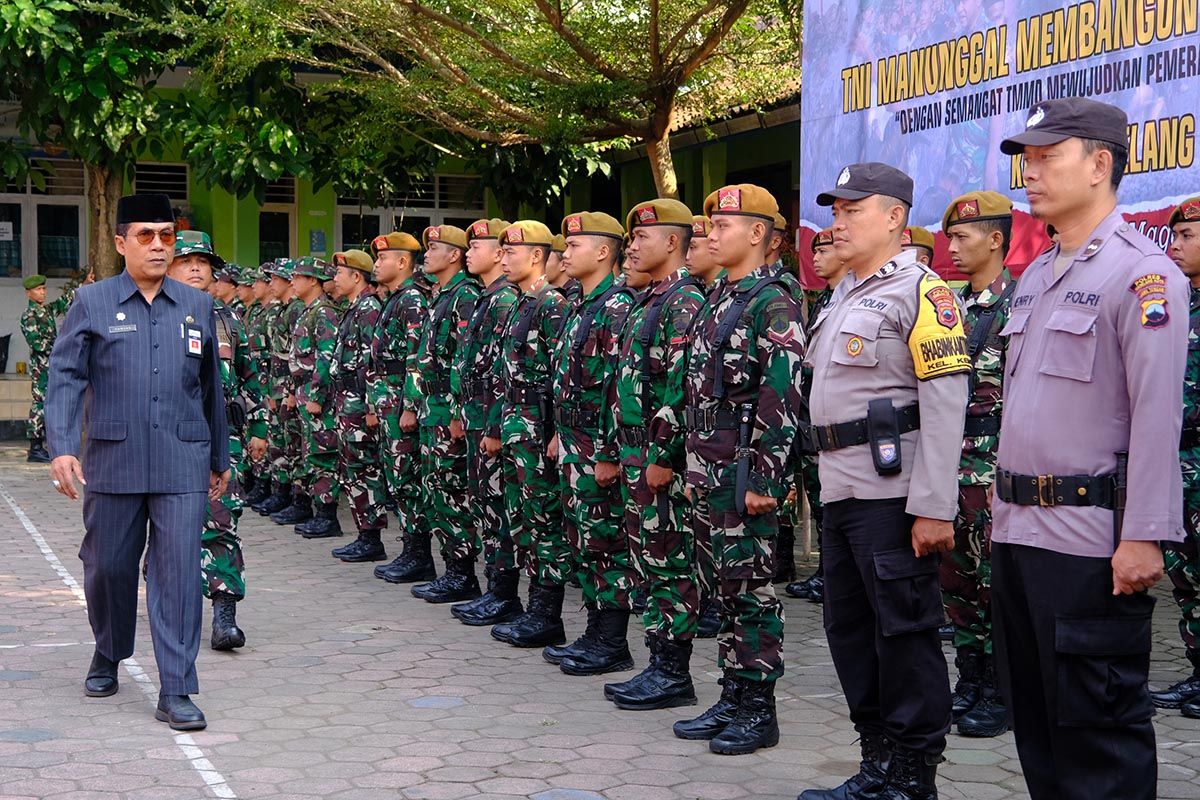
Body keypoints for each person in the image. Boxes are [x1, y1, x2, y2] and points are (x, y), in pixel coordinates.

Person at [991, 97, 1186, 800]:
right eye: (1027, 159)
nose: (1031, 173)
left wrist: (1145, 535)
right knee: (1040, 730)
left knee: (1098, 735)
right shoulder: (1039, 274)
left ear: (1100, 164)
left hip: (1089, 544)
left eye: (1048, 157)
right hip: (1018, 534)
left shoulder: (1142, 275)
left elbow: (1157, 416)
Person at [798, 163, 970, 799]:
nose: (837, 222)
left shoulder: (923, 293)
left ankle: (913, 774)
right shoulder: (843, 292)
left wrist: (933, 506)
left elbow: (947, 404)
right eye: (834, 211)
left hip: (891, 498)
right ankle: (876, 762)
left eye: (851, 210)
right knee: (849, 632)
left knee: (904, 633)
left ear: (895, 218)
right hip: (840, 491)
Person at [46, 193, 230, 731]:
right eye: (145, 236)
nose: (158, 245)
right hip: (114, 457)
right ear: (121, 242)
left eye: (166, 236)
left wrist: (219, 455)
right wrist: (61, 446)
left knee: (177, 574)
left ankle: (176, 687)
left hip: (181, 458)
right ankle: (109, 650)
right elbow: (65, 376)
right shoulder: (92, 302)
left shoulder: (197, 305)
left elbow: (210, 387)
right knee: (108, 567)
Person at [673, 184, 804, 756]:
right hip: (708, 465)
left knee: (751, 589)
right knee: (722, 586)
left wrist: (766, 480)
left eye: (723, 226)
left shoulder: (772, 301)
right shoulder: (719, 298)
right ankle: (731, 692)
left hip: (744, 469)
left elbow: (782, 394)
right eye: (709, 225)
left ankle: (759, 707)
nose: (710, 234)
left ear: (758, 234)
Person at [601, 198, 707, 711]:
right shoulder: (651, 300)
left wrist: (663, 455)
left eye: (643, 236)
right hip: (637, 452)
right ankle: (658, 663)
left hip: (658, 458)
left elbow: (679, 389)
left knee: (668, 562)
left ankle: (673, 673)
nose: (633, 245)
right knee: (649, 559)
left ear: (672, 242)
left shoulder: (683, 301)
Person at [545, 210, 637, 676]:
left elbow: (614, 390)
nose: (565, 254)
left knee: (606, 542)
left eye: (574, 246)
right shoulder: (583, 304)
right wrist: (561, 436)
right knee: (583, 540)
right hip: (574, 441)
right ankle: (595, 632)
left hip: (597, 446)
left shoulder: (617, 306)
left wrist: (607, 452)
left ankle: (612, 642)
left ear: (603, 251)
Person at [939, 191, 1016, 738]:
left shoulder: (1021, 304)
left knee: (995, 580)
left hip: (996, 463)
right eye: (950, 237)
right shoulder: (953, 308)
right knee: (957, 578)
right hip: (951, 461)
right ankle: (969, 679)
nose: (953, 247)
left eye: (963, 237)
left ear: (995, 239)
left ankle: (1001, 689)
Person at [169, 231, 266, 651]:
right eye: (186, 260)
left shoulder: (227, 318)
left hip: (219, 442)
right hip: (166, 441)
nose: (195, 268)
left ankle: (224, 616)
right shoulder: (155, 315)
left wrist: (259, 428)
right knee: (167, 527)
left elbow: (251, 377)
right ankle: (168, 605)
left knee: (221, 522)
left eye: (203, 261)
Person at [485, 220, 570, 648]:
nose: (503, 259)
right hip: (518, 429)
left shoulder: (551, 305)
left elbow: (560, 377)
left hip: (539, 434)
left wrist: (556, 432)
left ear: (536, 255)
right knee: (524, 520)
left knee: (544, 522)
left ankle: (546, 613)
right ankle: (533, 607)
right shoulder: (523, 303)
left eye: (511, 253)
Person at [408, 225, 483, 603]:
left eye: (434, 247)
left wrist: (456, 412)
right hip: (432, 409)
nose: (427, 253)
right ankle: (451, 569)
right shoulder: (442, 295)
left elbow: (463, 362)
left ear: (453, 255)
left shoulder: (464, 296)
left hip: (446, 412)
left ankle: (462, 573)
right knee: (437, 490)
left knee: (453, 491)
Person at [1154, 195, 1200, 718]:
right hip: (1180, 464)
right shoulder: (1178, 302)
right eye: (1178, 236)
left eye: (1189, 236)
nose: (1178, 247)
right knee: (1186, 575)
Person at [785, 228, 845, 606]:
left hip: (838, 423)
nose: (818, 257)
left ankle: (834, 574)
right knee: (819, 497)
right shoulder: (822, 300)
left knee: (832, 501)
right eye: (815, 250)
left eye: (826, 249)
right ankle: (826, 571)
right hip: (811, 417)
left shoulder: (849, 297)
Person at [368, 232, 434, 573]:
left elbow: (414, 358)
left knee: (407, 477)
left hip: (400, 402)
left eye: (382, 258)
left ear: (403, 262)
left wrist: (409, 405)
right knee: (397, 477)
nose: (376, 264)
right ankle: (411, 549)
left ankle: (420, 554)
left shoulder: (412, 300)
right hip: (388, 401)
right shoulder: (394, 299)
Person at [328, 249, 390, 563]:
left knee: (366, 470)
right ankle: (364, 533)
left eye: (339, 272)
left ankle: (372, 536)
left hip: (358, 402)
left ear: (356, 276)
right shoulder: (353, 307)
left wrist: (369, 407)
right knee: (353, 470)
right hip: (346, 402)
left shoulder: (368, 309)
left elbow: (371, 360)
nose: (334, 278)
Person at [289, 257, 344, 540]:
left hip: (315, 395)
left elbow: (326, 357)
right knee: (310, 452)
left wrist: (317, 395)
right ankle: (316, 509)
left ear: (313, 281)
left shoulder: (324, 313)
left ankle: (327, 515)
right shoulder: (307, 310)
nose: (292, 282)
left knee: (323, 455)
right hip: (304, 392)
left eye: (298, 277)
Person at [20, 269, 87, 462]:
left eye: (43, 289)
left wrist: (83, 286)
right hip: (41, 366)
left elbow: (63, 302)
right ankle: (35, 446)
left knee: (50, 401)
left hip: (51, 364)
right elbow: (36, 343)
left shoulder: (45, 311)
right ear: (28, 293)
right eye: (38, 289)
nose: (43, 292)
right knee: (40, 403)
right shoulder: (29, 316)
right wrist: (59, 345)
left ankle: (44, 444)